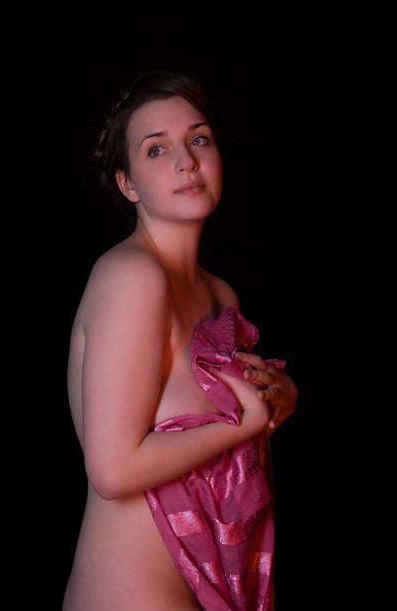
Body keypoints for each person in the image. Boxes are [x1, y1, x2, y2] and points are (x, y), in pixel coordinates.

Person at [62, 69, 298, 611]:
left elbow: (221, 447)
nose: (185, 161)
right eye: (156, 149)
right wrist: (246, 422)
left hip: (217, 585)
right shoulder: (132, 276)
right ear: (127, 184)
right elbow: (113, 470)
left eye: (199, 139)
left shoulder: (218, 293)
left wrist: (279, 398)